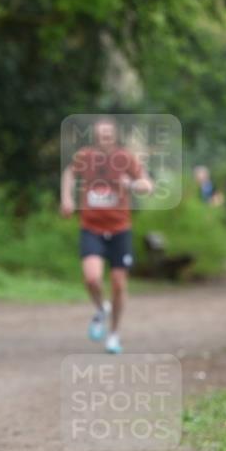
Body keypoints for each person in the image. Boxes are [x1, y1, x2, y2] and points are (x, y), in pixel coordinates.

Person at [60, 116, 153, 354]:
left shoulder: (125, 158)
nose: (105, 140)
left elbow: (147, 185)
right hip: (91, 227)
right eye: (101, 136)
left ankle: (114, 335)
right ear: (95, 137)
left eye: (108, 135)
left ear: (115, 137)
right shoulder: (86, 156)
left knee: (119, 284)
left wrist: (130, 185)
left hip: (120, 229)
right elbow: (69, 174)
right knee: (91, 278)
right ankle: (102, 308)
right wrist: (67, 198)